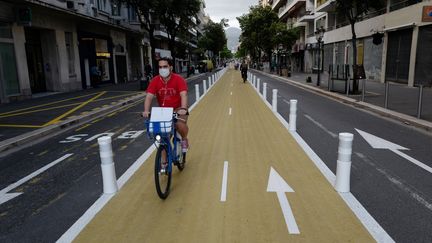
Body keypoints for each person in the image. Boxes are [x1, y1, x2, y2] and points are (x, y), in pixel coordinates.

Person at [142, 57, 189, 152]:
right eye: (160, 67)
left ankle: (184, 139)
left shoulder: (179, 79)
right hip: (163, 111)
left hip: (178, 108)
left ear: (170, 67)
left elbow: (183, 95)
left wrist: (183, 108)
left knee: (179, 124)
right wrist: (146, 111)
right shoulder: (155, 81)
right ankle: (164, 164)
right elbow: (149, 97)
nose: (162, 69)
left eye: (165, 66)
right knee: (162, 137)